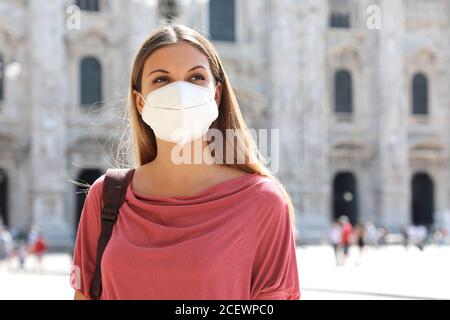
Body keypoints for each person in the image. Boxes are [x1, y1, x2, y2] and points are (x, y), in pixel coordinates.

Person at [71, 24, 300, 300]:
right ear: (140, 102)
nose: (180, 92)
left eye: (196, 77)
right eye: (161, 80)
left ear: (216, 95)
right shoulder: (107, 196)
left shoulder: (263, 202)